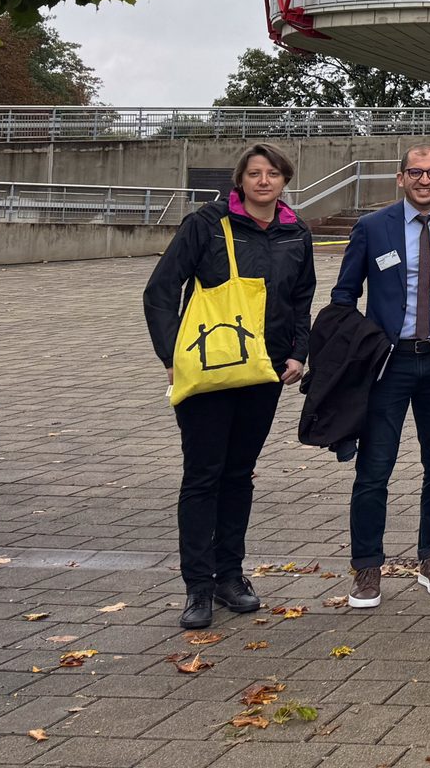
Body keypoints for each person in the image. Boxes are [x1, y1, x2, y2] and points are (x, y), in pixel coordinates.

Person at [143, 142, 315, 629]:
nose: (264, 181)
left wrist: (298, 352)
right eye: (254, 173)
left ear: (285, 181)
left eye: (273, 174)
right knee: (203, 475)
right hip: (209, 370)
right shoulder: (206, 224)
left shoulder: (295, 232)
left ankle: (229, 576)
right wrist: (170, 355)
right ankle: (197, 586)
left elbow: (302, 298)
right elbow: (161, 289)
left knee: (239, 475)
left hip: (265, 372)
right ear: (240, 180)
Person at [331, 145, 430, 609]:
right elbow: (343, 295)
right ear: (400, 178)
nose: (424, 180)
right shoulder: (373, 227)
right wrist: (349, 354)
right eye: (415, 172)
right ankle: (367, 567)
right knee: (374, 469)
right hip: (386, 366)